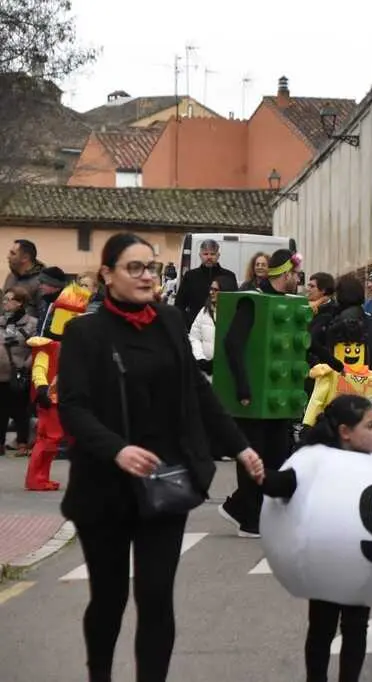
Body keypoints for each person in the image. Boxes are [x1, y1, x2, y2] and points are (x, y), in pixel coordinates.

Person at [57, 232, 263, 682]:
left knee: (155, 597)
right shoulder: (84, 333)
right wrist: (117, 449)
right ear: (107, 275)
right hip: (104, 489)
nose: (146, 276)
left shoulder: (169, 322)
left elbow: (197, 390)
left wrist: (240, 446)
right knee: (108, 598)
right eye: (134, 268)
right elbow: (72, 407)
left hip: (165, 481)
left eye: (151, 267)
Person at [261, 395, 372, 682]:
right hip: (327, 566)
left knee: (355, 629)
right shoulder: (314, 460)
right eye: (370, 425)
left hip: (363, 568)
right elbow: (283, 484)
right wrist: (258, 472)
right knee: (321, 629)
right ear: (345, 431)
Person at [219, 248, 302, 538]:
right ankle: (248, 517)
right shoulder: (252, 302)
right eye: (295, 274)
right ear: (285, 274)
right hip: (253, 397)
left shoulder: (287, 303)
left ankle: (239, 506)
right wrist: (243, 386)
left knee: (277, 456)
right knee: (255, 455)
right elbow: (232, 343)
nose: (298, 279)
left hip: (277, 398)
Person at [25, 282, 91, 491]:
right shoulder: (48, 346)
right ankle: (36, 478)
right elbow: (39, 368)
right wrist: (42, 388)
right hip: (51, 399)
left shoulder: (76, 347)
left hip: (70, 399)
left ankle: (44, 478)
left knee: (69, 441)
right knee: (48, 440)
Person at [0, 287, 36, 457]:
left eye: (9, 299)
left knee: (21, 410)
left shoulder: (32, 323)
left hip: (20, 373)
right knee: (1, 410)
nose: (5, 303)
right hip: (1, 373)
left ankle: (22, 442)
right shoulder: (0, 321)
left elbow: (36, 348)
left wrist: (26, 366)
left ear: (20, 302)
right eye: (4, 299)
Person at [174, 239, 238, 328]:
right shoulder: (190, 276)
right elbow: (179, 304)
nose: (209, 257)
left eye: (212, 254)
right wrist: (187, 322)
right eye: (206, 254)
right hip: (194, 326)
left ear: (218, 255)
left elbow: (234, 304)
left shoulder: (229, 276)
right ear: (200, 255)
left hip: (222, 326)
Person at [189, 274, 237, 383]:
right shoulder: (204, 312)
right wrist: (201, 360)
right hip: (205, 373)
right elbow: (194, 337)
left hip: (226, 373)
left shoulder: (234, 315)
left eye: (216, 290)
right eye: (211, 289)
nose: (211, 292)